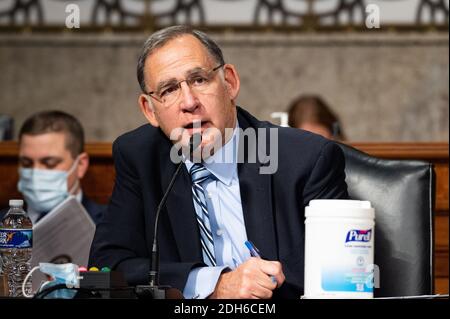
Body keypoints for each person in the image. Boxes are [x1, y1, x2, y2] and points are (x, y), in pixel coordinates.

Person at [89, 25, 348, 299]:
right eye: (168, 90)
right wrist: (213, 284)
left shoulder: (304, 160)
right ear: (149, 110)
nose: (189, 102)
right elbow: (106, 268)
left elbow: (339, 278)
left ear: (230, 82)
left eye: (199, 80)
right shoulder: (139, 157)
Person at [0, 111, 105, 225]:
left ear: (80, 165)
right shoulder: (3, 221)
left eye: (50, 163)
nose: (35, 174)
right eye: (26, 163)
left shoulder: (111, 224)